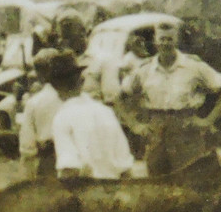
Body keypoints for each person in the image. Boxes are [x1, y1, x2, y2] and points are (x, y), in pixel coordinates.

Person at [120, 21, 221, 175]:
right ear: (155, 41)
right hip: (156, 133)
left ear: (176, 41)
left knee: (190, 178)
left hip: (186, 131)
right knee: (157, 181)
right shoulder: (145, 69)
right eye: (162, 39)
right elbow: (120, 96)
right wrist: (134, 124)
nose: (166, 43)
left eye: (170, 39)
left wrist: (207, 121)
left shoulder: (193, 66)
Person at [50, 50, 135, 180]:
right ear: (82, 81)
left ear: (54, 87)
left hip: (85, 193)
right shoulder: (106, 112)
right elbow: (126, 168)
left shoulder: (62, 117)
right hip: (117, 192)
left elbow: (69, 170)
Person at [17, 48, 62, 176]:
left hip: (49, 162)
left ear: (39, 74)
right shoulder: (77, 99)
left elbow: (27, 147)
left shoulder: (35, 102)